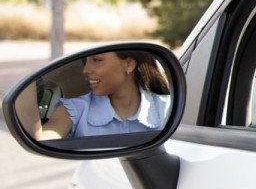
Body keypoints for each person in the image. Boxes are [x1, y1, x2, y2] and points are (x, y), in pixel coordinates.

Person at [15, 50, 172, 141]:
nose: (86, 70)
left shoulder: (166, 106)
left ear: (128, 64)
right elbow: (43, 139)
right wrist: (28, 81)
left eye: (96, 60)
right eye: (85, 62)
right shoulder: (72, 109)